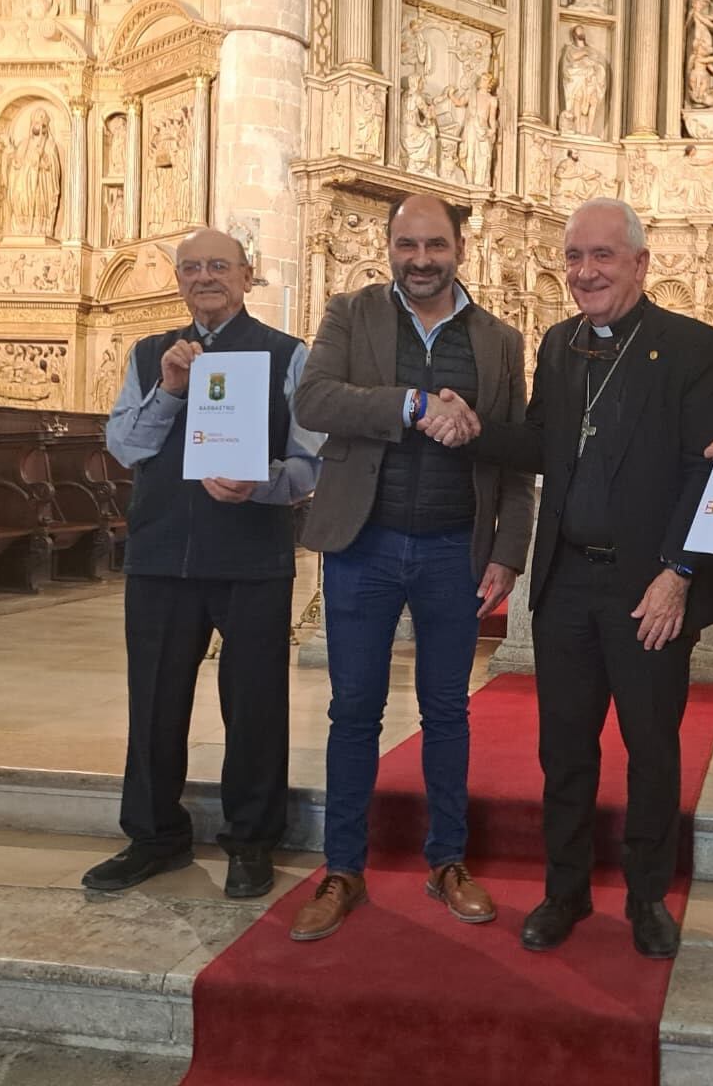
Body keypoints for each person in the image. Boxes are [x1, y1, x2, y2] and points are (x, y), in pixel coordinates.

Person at [422, 198, 713, 960]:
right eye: (574, 259)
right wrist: (473, 429)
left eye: (602, 257)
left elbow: (705, 468)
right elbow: (542, 445)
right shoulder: (560, 345)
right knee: (564, 751)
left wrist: (678, 573)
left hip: (648, 589)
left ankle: (649, 897)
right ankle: (565, 893)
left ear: (639, 263)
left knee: (652, 749)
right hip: (566, 588)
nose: (585, 272)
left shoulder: (691, 345)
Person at [284, 195, 534, 942]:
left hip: (452, 551)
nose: (420, 259)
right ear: (388, 245)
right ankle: (342, 869)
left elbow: (515, 460)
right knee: (353, 712)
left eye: (434, 245)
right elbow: (316, 397)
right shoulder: (350, 313)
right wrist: (415, 404)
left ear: (461, 245)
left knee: (448, 713)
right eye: (406, 244)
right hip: (364, 545)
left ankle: (447, 861)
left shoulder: (497, 339)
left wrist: (507, 552)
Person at [83, 228, 322, 899]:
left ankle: (250, 841)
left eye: (219, 265)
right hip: (162, 555)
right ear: (179, 280)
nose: (204, 277)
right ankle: (154, 835)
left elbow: (311, 462)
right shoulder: (150, 354)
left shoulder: (287, 355)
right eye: (191, 268)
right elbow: (126, 446)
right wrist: (168, 390)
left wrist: (264, 482)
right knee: (154, 704)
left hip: (251, 555)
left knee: (254, 706)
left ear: (248, 275)